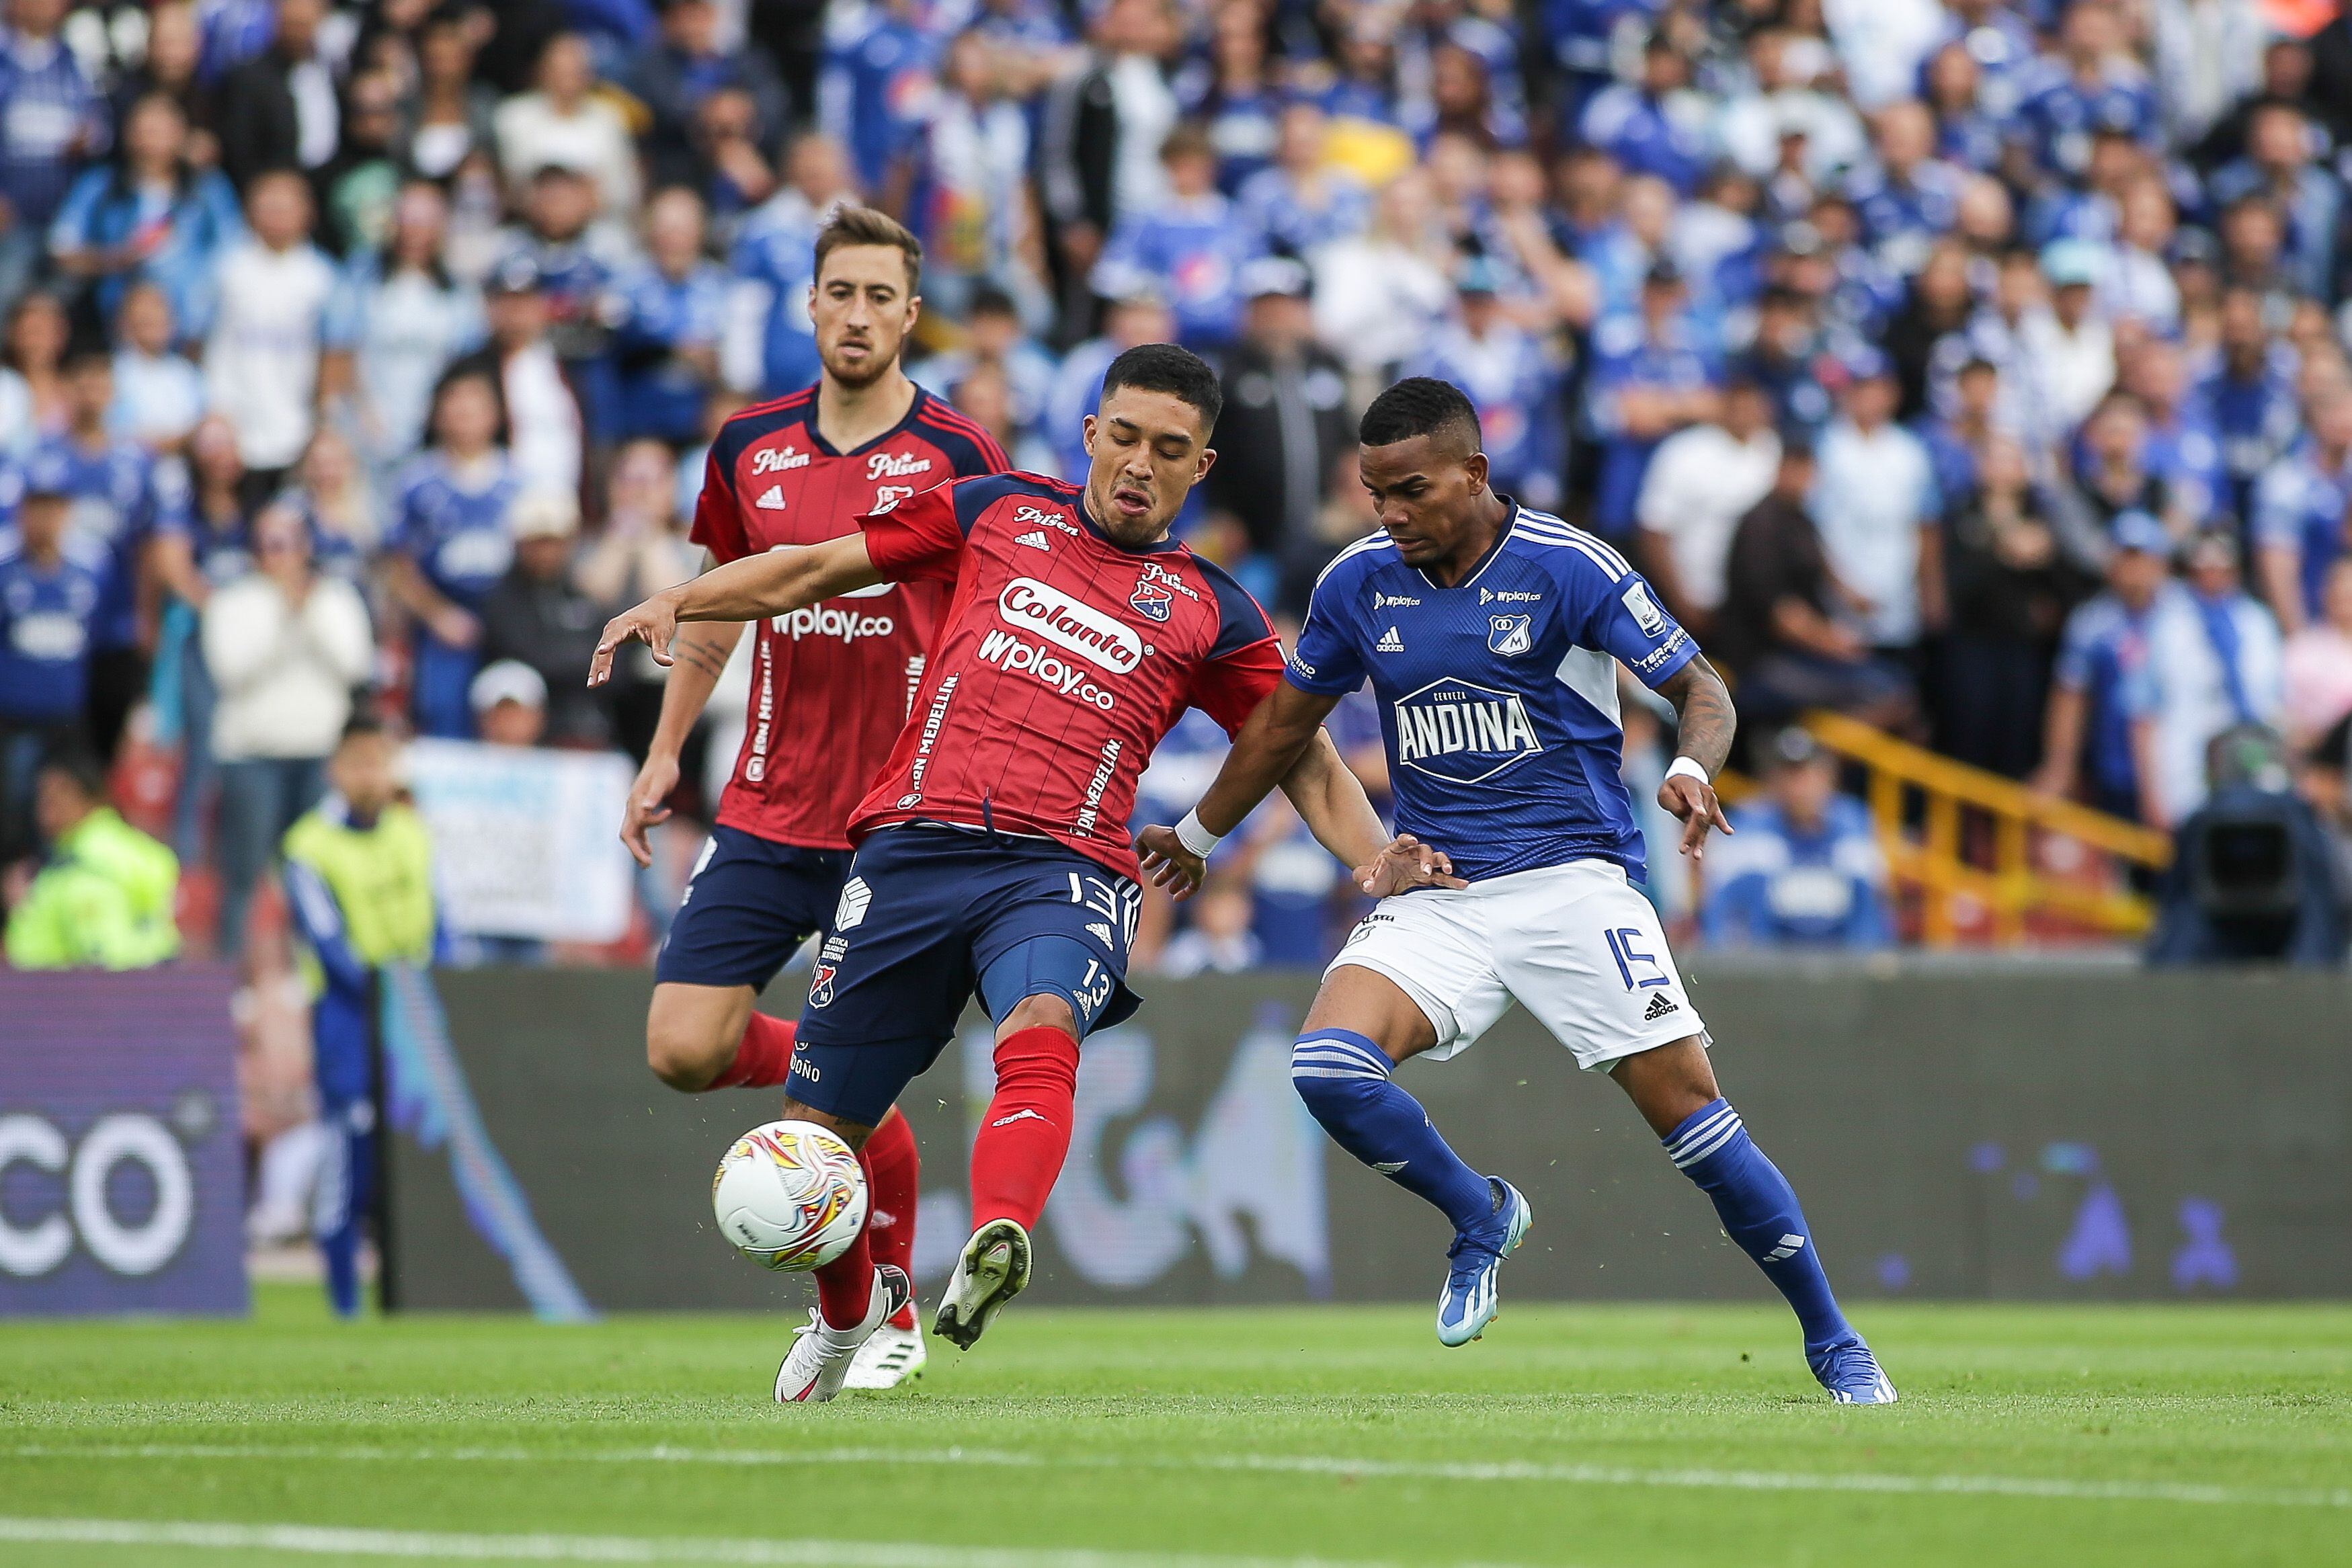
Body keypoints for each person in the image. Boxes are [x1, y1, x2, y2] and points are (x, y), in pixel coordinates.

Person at [590, 341, 1439, 1401]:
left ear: (1200, 467)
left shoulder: (1208, 609)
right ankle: (848, 1311)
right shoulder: (994, 510)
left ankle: (997, 1230)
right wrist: (686, 596)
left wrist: (1375, 861)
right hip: (909, 847)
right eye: (1122, 437)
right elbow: (814, 565)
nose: (1137, 463)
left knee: (1039, 1022)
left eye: (1166, 450)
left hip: (1063, 863)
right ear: (1090, 433)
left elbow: (1299, 754)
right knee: (813, 1146)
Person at [1138, 375, 1894, 1403]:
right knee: (1324, 1068)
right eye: (1373, 492)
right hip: (1442, 889)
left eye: (1408, 491)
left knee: (1695, 1124)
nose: (1388, 514)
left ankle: (1833, 1340)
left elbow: (1699, 688)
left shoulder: (1567, 566)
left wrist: (1691, 767)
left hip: (1573, 881)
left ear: (1472, 475)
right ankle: (1480, 1213)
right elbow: (1280, 726)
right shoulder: (1358, 582)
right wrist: (1194, 834)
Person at [614, 206, 1009, 1393]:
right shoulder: (747, 444)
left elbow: (991, 616)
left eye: (878, 295)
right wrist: (663, 748)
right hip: (768, 800)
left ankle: (860, 1309)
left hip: (895, 819)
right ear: (810, 305)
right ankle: (852, 1131)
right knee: (684, 1049)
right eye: (837, 291)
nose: (855, 314)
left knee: (822, 1101)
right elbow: (719, 603)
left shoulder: (957, 451)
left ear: (909, 311)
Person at [282, 718, 440, 1318]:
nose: (370, 774)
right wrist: (394, 990)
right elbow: (329, 946)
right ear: (335, 770)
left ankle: (416, 1298)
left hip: (416, 1017)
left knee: (415, 1159)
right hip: (348, 1019)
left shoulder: (411, 833)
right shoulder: (307, 847)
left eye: (379, 760)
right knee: (348, 1159)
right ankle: (344, 1305)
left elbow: (439, 921)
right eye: (357, 762)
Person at [202, 500, 372, 954]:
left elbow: (354, 665)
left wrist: (309, 614)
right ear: (254, 550)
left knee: (316, 876)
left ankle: (313, 978)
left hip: (320, 755)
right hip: (251, 757)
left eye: (290, 543)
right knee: (243, 876)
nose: (281, 554)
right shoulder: (231, 601)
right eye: (270, 544)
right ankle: (231, 985)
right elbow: (232, 672)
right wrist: (284, 617)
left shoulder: (335, 596)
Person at [384, 367, 518, 739]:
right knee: (442, 717)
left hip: (509, 619)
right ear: (438, 416)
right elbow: (397, 565)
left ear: (494, 415)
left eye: (474, 409)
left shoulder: (518, 481)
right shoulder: (416, 483)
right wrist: (437, 615)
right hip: (442, 621)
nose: (464, 419)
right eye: (455, 408)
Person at [1700, 727, 1892, 949]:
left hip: (1842, 968)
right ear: (1773, 780)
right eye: (1790, 775)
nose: (1800, 787)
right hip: (1769, 970)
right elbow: (1723, 912)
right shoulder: (1745, 826)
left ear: (1828, 778)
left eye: (1808, 774)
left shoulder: (1854, 823)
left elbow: (1871, 912)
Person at [0, 451, 102, 863]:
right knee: (15, 815)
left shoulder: (91, 570)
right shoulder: (6, 572)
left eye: (54, 508)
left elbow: (99, 643)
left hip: (68, 723)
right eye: (37, 507)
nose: (45, 519)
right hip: (15, 722)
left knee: (66, 821)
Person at [3, 749, 179, 969]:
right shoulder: (77, 854)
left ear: (92, 798)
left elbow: (105, 968)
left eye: (57, 796)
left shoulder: (88, 866)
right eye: (42, 797)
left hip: (60, 999)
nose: (45, 810)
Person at [475, 490, 608, 747]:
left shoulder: (580, 594)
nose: (546, 552)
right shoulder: (500, 598)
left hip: (586, 718)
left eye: (554, 542)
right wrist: (583, 661)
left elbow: (616, 663)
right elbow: (528, 654)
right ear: (519, 543)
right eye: (538, 542)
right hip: (525, 722)